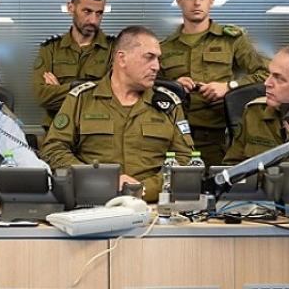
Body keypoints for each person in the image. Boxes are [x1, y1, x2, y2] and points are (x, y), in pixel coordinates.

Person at [41, 26, 194, 201]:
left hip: (152, 204)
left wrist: (143, 189)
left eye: (158, 59)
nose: (156, 67)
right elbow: (53, 149)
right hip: (94, 203)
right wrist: (101, 180)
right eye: (149, 57)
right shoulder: (82, 99)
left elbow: (185, 159)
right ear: (122, 59)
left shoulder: (169, 104)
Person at [159, 0, 268, 166]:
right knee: (179, 184)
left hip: (219, 136)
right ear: (179, 0)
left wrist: (229, 87)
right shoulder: (165, 47)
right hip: (176, 138)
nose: (197, 2)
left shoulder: (231, 39)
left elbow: (265, 75)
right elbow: (151, 87)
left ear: (211, 1)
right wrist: (174, 86)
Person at [33, 0, 115, 130]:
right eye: (87, 11)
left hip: (96, 133)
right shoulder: (50, 49)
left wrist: (62, 89)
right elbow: (42, 96)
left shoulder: (113, 49)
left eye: (99, 13)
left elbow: (114, 96)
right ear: (71, 8)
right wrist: (93, 88)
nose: (93, 20)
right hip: (56, 131)